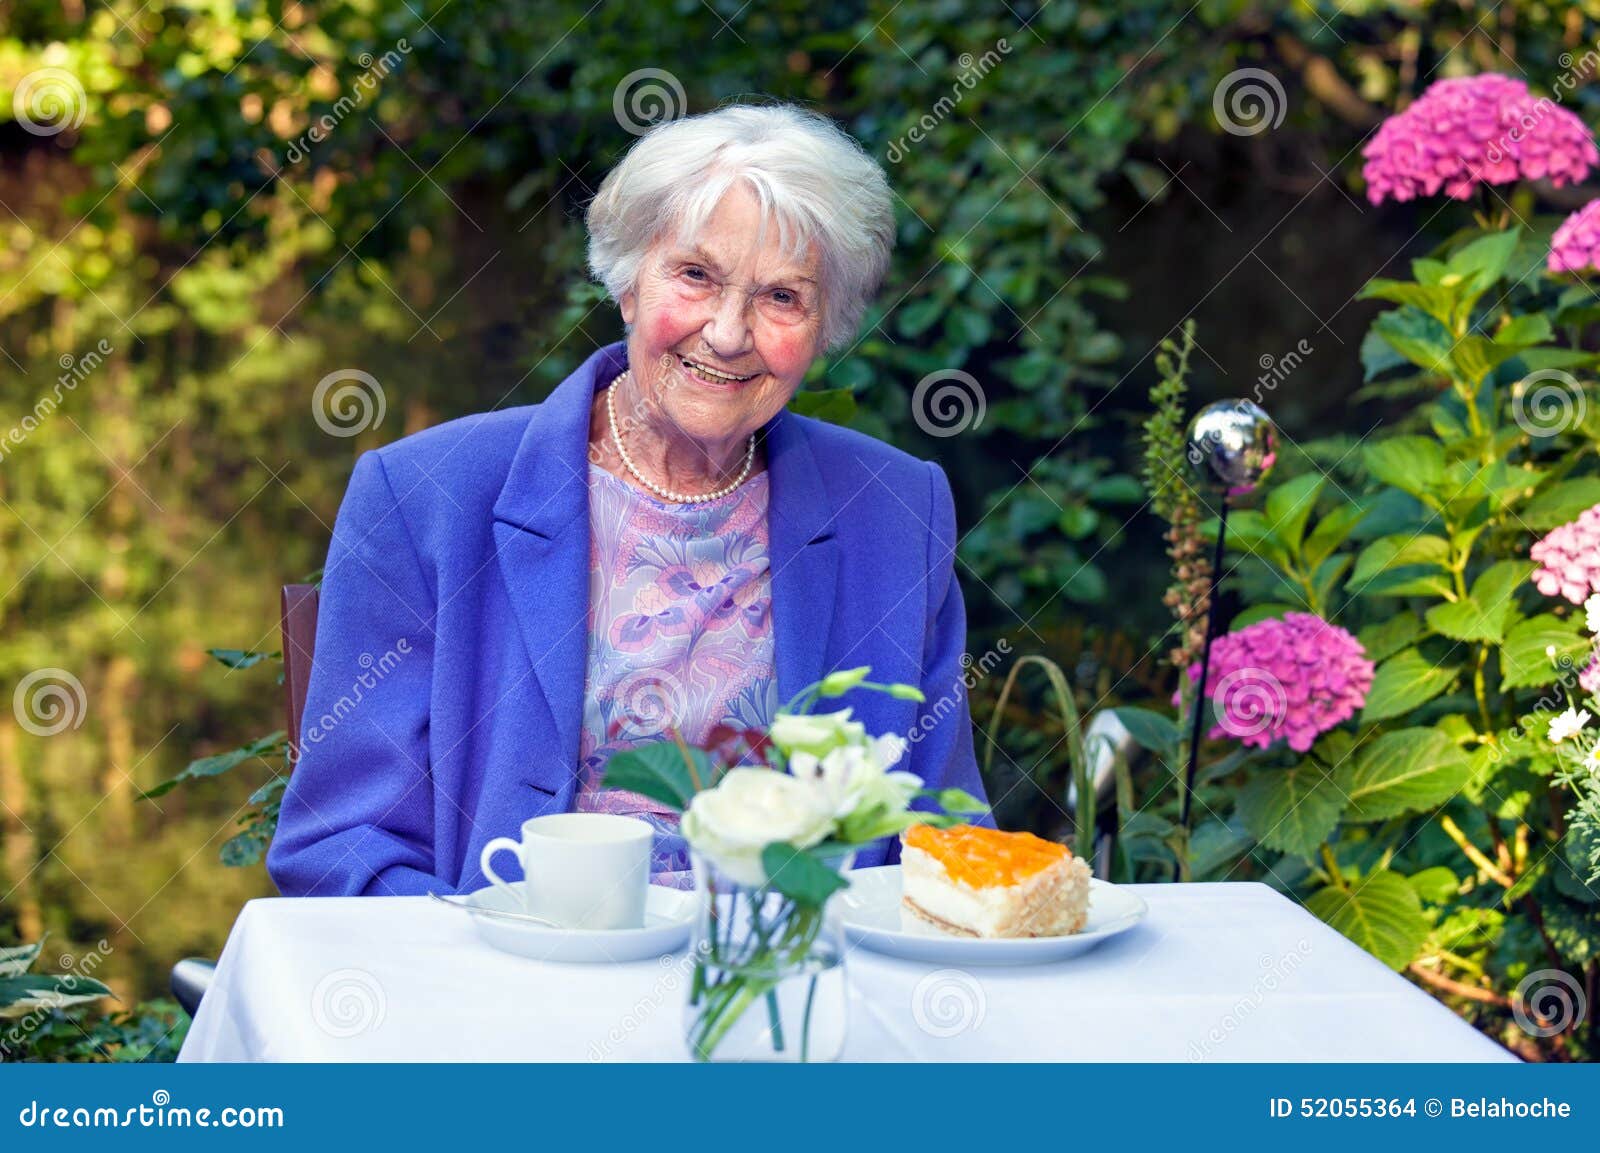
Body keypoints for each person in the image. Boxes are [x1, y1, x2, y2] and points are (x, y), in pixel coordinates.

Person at [266, 102, 990, 896]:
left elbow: (942, 837)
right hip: (521, 983)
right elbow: (342, 844)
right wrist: (493, 963)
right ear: (628, 283)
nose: (726, 333)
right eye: (696, 275)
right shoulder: (426, 496)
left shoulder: (894, 511)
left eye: (782, 297)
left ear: (826, 328)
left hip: (785, 986)